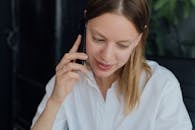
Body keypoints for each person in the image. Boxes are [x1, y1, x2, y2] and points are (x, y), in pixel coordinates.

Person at [31, 0, 192, 130]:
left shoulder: (162, 86)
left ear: (138, 39)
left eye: (122, 45)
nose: (106, 57)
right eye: (98, 39)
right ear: (85, 23)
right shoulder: (68, 79)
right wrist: (55, 101)